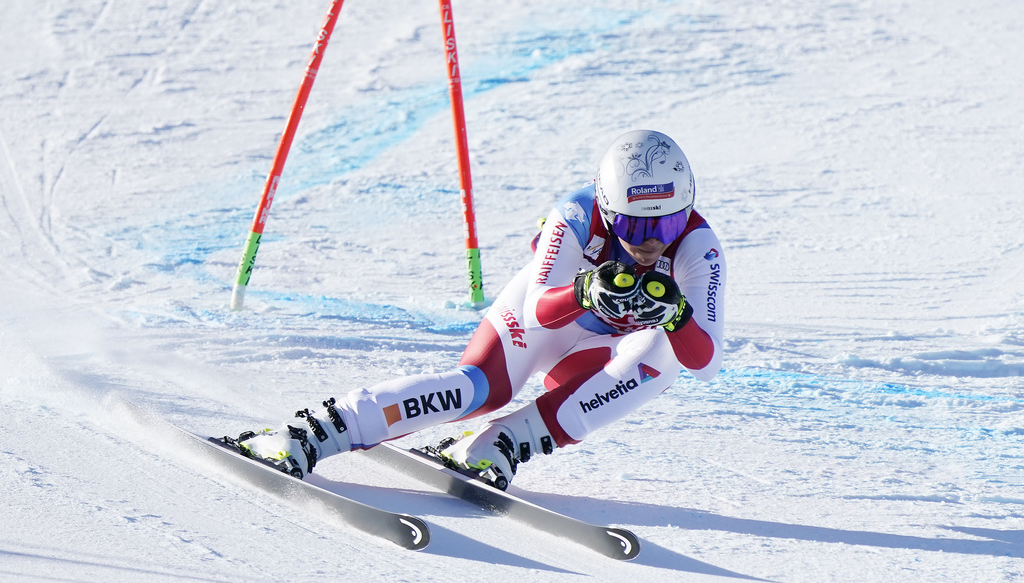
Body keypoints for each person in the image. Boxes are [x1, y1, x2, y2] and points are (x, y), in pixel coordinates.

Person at [238, 129, 726, 489]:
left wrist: (677, 315)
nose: (649, 244)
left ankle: (500, 443)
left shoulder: (699, 248)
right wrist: (584, 291)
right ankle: (311, 433)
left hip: (602, 348)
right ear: (605, 205)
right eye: (633, 227)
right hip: (552, 318)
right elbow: (537, 310)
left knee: (662, 358)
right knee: (477, 391)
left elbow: (705, 363)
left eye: (666, 227)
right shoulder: (577, 215)